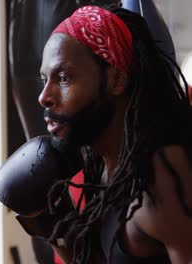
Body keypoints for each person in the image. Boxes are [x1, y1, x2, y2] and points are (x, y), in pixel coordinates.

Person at [36, 5, 192, 264]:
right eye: (44, 80)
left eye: (63, 78)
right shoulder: (100, 173)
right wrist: (58, 233)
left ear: (116, 80)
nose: (44, 97)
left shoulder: (161, 175)